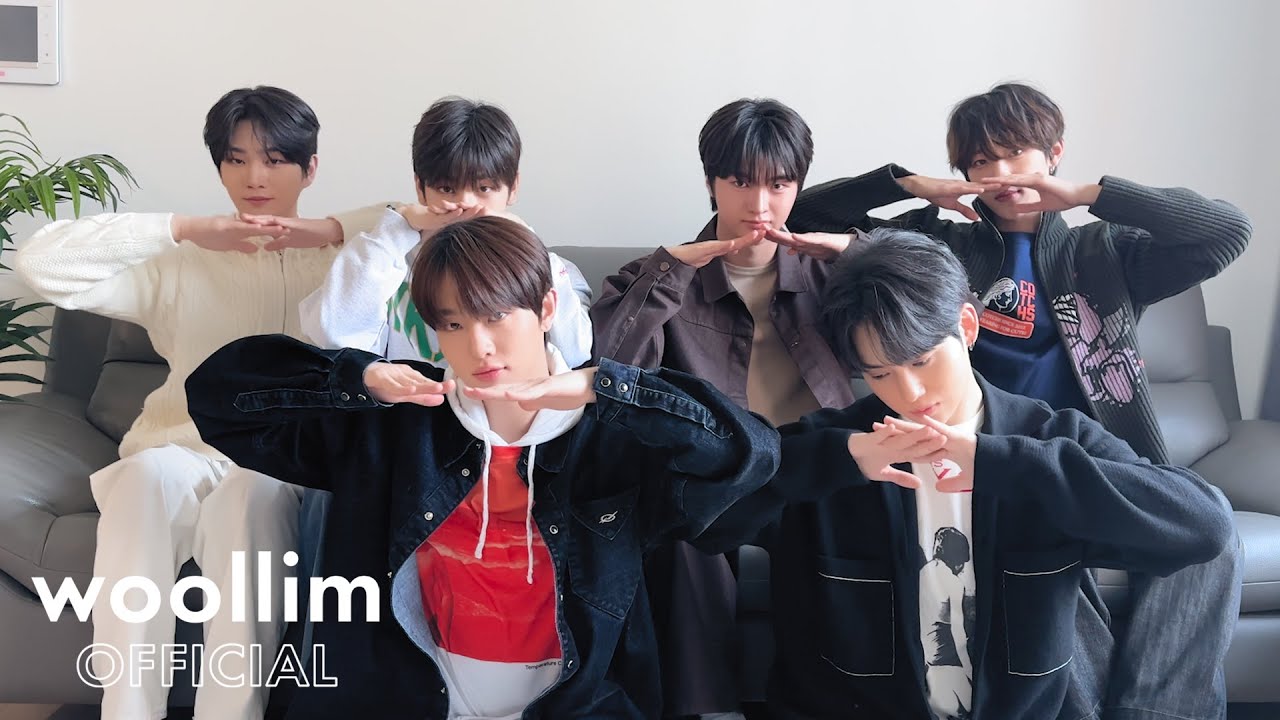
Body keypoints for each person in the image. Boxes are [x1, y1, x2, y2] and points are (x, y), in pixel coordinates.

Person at [184, 215, 780, 719]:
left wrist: (607, 387)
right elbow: (218, 399)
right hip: (410, 699)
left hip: (573, 704)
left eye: (496, 315)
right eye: (453, 324)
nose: (479, 346)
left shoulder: (611, 436)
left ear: (546, 308)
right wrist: (357, 375)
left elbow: (752, 459)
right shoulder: (401, 424)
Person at [784, 82, 1250, 719]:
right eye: (981, 161)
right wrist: (908, 185)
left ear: (1054, 152)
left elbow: (1227, 231)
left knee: (1211, 540)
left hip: (1087, 455)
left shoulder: (1105, 252)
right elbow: (797, 218)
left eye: (1016, 153)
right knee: (1041, 578)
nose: (1000, 174)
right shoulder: (941, 251)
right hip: (985, 454)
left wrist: (1088, 195)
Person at [697, 227, 1237, 719]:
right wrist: (838, 462)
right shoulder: (837, 445)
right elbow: (700, 523)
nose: (909, 393)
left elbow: (1205, 526)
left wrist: (1004, 465)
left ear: (967, 327)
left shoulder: (1045, 440)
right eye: (880, 374)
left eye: (922, 360)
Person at [15, 86, 346, 719]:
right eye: (236, 159)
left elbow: (432, 224)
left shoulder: (345, 262)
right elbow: (39, 265)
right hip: (180, 447)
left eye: (275, 159)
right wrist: (185, 228)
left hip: (282, 461)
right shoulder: (179, 260)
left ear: (310, 168)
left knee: (251, 496)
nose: (254, 177)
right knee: (142, 477)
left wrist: (328, 229)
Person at [590, 97, 860, 718]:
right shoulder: (657, 278)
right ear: (711, 182)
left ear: (799, 188)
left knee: (845, 512)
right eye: (740, 182)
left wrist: (853, 250)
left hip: (812, 472)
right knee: (679, 527)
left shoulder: (830, 278)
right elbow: (607, 374)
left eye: (779, 184)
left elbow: (937, 301)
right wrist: (666, 273)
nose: (759, 204)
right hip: (715, 483)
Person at [252, 96, 593, 368]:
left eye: (484, 188)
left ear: (512, 187)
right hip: (410, 423)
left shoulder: (553, 270)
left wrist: (526, 246)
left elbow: (575, 353)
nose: (465, 204)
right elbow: (335, 338)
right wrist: (397, 229)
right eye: (447, 189)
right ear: (420, 187)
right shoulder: (386, 261)